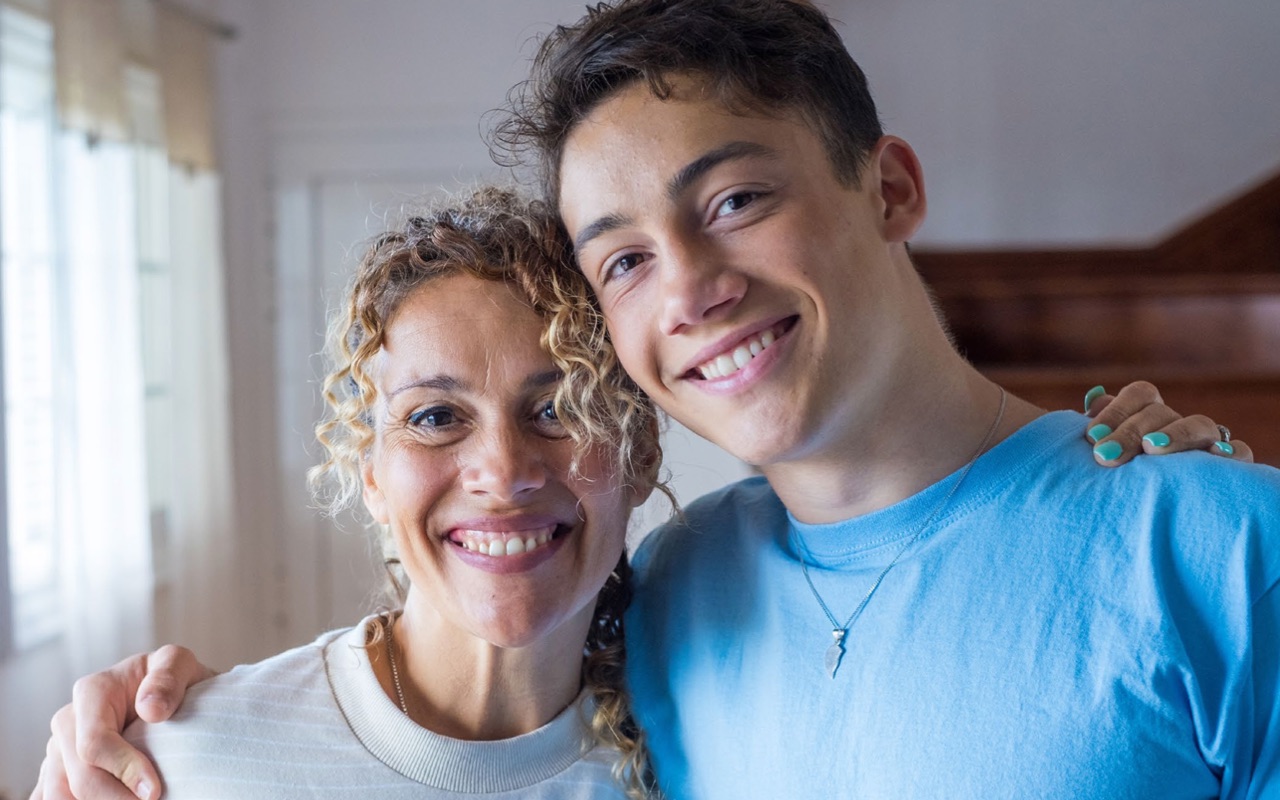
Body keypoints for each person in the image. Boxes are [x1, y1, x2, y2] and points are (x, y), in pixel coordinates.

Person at [29, 1, 1270, 798]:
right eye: (622, 256)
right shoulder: (671, 596)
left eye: (734, 199)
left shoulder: (1217, 547)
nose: (690, 287)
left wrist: (1191, 493)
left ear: (888, 187)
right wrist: (122, 732)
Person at [82, 187, 665, 799]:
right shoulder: (183, 765)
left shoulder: (696, 761)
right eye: (436, 417)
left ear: (642, 451)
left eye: (557, 408)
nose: (503, 471)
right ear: (371, 475)